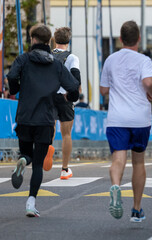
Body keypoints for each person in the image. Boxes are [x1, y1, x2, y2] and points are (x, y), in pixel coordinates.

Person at [7, 24, 79, 217]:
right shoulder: (56, 65)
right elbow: (73, 86)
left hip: (24, 117)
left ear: (32, 40)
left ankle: (23, 159)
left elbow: (12, 76)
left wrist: (15, 88)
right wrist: (69, 98)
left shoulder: (23, 59)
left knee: (26, 152)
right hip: (45, 119)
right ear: (49, 42)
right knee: (38, 164)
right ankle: (31, 203)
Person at [100, 21, 152, 222]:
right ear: (139, 39)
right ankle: (136, 209)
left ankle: (115, 185)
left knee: (118, 158)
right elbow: (148, 82)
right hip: (140, 118)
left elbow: (104, 90)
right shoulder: (144, 60)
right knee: (139, 161)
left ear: (120, 39)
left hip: (117, 118)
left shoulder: (110, 60)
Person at [44, 27, 81, 180]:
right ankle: (64, 169)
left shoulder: (46, 55)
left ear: (54, 39)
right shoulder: (72, 57)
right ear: (69, 40)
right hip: (64, 97)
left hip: (48, 96)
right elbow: (76, 80)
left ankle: (46, 151)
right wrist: (72, 95)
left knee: (49, 129)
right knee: (66, 134)